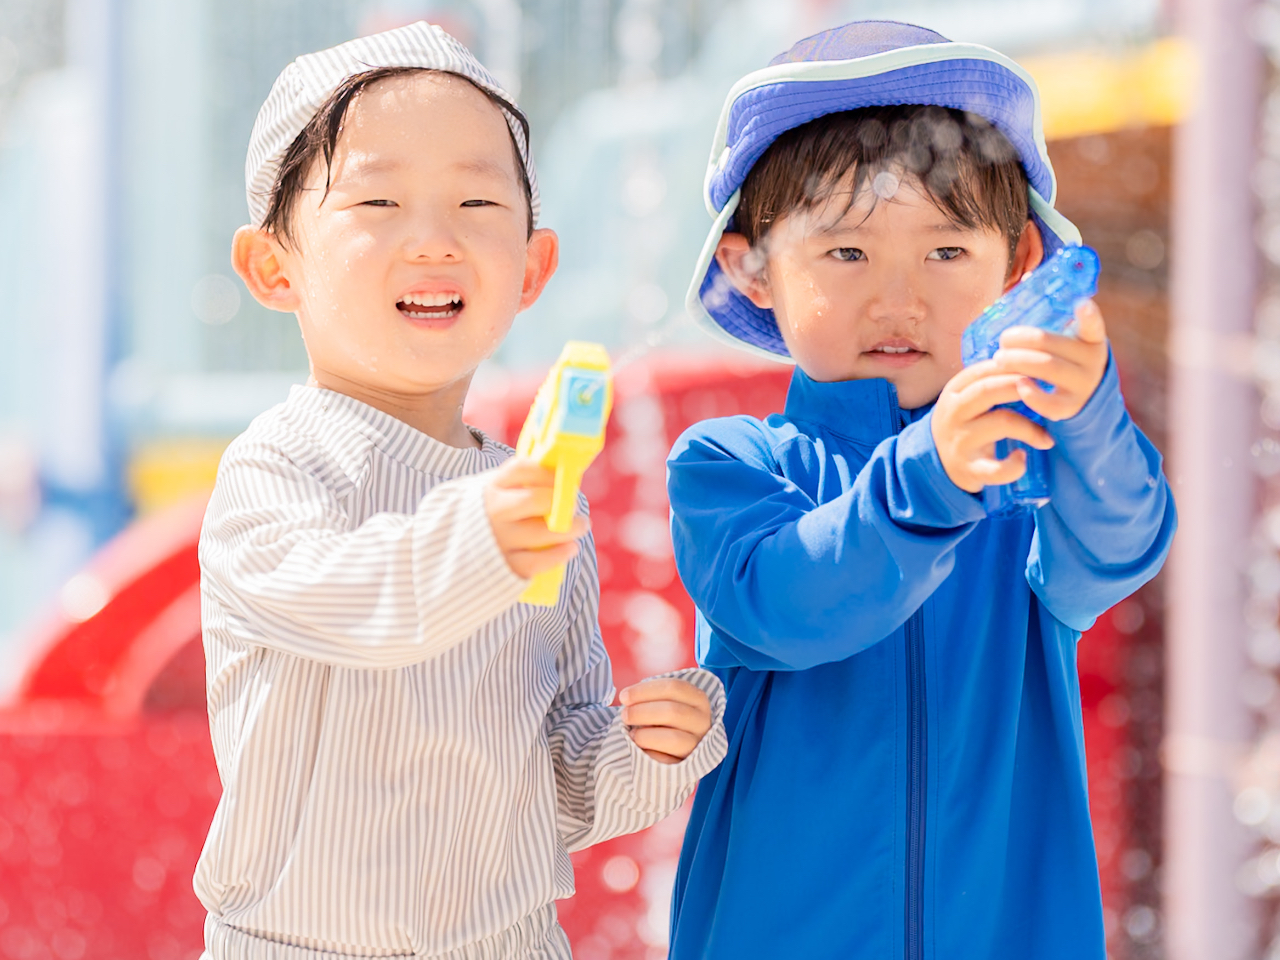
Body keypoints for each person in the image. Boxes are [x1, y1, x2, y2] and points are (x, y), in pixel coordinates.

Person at [194, 22, 726, 960]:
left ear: (531, 269)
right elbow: (355, 601)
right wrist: (482, 540)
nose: (434, 238)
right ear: (275, 268)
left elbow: (556, 782)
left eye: (478, 200)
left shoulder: (534, 501)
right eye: (380, 199)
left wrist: (644, 752)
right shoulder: (275, 471)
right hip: (298, 943)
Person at [665, 20, 1176, 960]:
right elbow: (791, 604)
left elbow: (1120, 549)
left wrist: (1090, 412)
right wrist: (931, 477)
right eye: (847, 255)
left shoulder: (1029, 475)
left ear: (1018, 268)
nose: (899, 299)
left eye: (946, 255)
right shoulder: (731, 465)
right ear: (753, 267)